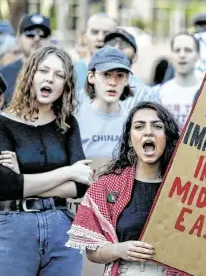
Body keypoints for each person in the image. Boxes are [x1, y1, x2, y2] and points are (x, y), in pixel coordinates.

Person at [0, 46, 92, 275]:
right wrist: (68, 172)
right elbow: (5, 186)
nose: (50, 79)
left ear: (66, 85)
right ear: (30, 74)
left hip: (63, 228)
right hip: (14, 228)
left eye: (59, 75)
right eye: (43, 70)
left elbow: (80, 185)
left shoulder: (68, 124)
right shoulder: (3, 123)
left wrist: (24, 179)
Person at [66, 102, 185, 276]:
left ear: (167, 137)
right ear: (130, 140)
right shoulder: (106, 187)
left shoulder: (185, 188)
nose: (148, 131)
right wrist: (119, 250)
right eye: (139, 126)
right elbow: (92, 251)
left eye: (157, 126)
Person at [76, 46, 133, 159]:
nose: (112, 82)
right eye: (106, 75)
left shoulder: (132, 122)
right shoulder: (76, 120)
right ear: (91, 77)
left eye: (120, 76)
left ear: (127, 79)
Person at [0, 13, 51, 106]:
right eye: (30, 33)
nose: (37, 38)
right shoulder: (3, 74)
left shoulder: (58, 77)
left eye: (43, 34)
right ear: (19, 38)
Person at [103, 28, 158, 110]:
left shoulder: (146, 94)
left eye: (124, 44)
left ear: (135, 57)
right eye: (111, 43)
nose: (117, 47)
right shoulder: (89, 89)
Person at [156, 32, 200, 128]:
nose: (182, 55)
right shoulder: (158, 93)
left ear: (198, 55)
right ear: (171, 55)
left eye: (188, 50)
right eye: (177, 50)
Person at [74, 13, 117, 94]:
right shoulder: (72, 72)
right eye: (95, 32)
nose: (100, 38)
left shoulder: (123, 74)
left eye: (106, 33)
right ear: (86, 35)